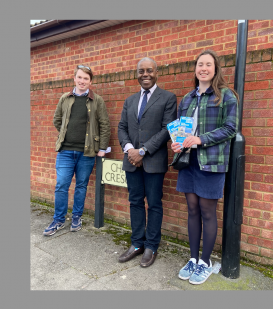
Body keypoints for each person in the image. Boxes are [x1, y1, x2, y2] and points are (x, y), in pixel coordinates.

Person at [171, 50, 239, 285]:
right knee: (192, 210)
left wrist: (201, 139)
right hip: (188, 162)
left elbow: (231, 129)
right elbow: (182, 129)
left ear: (215, 68)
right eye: (200, 64)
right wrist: (177, 142)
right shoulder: (188, 98)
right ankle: (192, 258)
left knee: (207, 211)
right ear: (195, 69)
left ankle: (205, 262)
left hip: (212, 163)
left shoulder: (226, 96)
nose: (204, 68)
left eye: (208, 65)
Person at [117, 57, 177, 267]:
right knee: (134, 202)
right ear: (137, 73)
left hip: (153, 162)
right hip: (131, 161)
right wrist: (130, 150)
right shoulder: (130, 100)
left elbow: (167, 129)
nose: (145, 74)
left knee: (154, 204)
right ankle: (136, 244)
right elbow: (122, 128)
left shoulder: (168, 98)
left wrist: (143, 151)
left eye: (149, 70)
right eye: (141, 71)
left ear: (156, 72)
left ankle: (151, 245)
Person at [43, 65, 111, 236]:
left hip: (87, 153)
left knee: (81, 186)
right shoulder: (65, 98)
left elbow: (105, 125)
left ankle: (76, 217)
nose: (82, 81)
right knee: (61, 186)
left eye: (86, 79)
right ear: (74, 78)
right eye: (79, 77)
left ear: (90, 81)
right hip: (65, 151)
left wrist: (102, 148)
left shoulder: (98, 100)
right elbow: (57, 120)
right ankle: (58, 220)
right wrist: (66, 133)